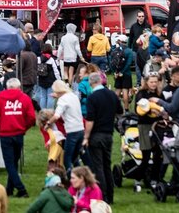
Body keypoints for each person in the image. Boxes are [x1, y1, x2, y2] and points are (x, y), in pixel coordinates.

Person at [82, 71, 122, 205]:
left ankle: (102, 196)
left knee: (98, 166)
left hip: (96, 134)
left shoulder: (92, 98)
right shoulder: (112, 94)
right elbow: (120, 111)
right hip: (108, 134)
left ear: (91, 83)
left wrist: (86, 137)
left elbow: (90, 120)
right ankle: (110, 196)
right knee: (106, 165)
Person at [0, 78, 35, 198]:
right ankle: (9, 189)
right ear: (19, 87)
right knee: (13, 162)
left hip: (5, 134)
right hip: (18, 133)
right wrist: (24, 127)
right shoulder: (25, 98)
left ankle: (21, 189)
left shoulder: (0, 97)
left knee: (10, 163)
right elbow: (31, 117)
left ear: (7, 87)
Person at [132, 74, 161, 187]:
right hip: (145, 125)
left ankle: (155, 179)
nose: (154, 84)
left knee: (158, 154)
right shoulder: (141, 94)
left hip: (157, 126)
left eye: (155, 82)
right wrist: (150, 111)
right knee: (146, 156)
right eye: (151, 82)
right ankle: (138, 178)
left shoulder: (159, 94)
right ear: (146, 82)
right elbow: (138, 109)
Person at [51, 80, 83, 173]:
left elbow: (57, 116)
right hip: (80, 128)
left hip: (72, 130)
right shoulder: (73, 96)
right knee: (74, 158)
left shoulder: (62, 100)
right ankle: (81, 176)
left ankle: (71, 178)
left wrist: (48, 123)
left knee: (67, 159)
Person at [111, 35, 135, 107]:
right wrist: (122, 72)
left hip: (117, 73)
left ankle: (113, 108)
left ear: (120, 41)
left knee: (117, 91)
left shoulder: (115, 50)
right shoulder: (129, 51)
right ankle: (126, 109)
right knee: (125, 92)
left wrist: (115, 72)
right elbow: (128, 63)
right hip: (126, 74)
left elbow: (111, 62)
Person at [35, 44, 58, 111]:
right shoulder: (51, 59)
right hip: (50, 80)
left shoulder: (38, 59)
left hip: (41, 79)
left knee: (43, 96)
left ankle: (43, 111)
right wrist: (58, 79)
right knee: (50, 96)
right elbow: (55, 70)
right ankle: (49, 111)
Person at [18, 39, 39, 104]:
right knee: (29, 98)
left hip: (24, 80)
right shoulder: (34, 54)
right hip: (32, 79)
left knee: (22, 98)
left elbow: (19, 68)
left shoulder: (22, 55)